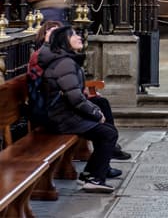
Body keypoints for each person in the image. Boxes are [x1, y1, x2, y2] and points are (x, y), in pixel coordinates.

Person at [38, 25, 121, 193]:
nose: (79, 37)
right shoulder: (64, 63)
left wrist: (94, 111)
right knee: (108, 133)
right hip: (61, 118)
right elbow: (75, 97)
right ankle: (95, 179)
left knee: (106, 129)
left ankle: (92, 173)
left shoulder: (65, 60)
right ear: (64, 41)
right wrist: (95, 113)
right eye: (73, 35)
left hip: (63, 114)